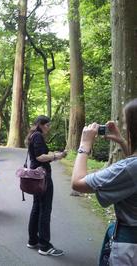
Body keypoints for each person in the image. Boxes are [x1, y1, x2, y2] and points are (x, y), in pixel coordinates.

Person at [72, 99, 137, 265]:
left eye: (126, 124)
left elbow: (78, 183)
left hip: (130, 247)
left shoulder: (129, 168)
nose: (124, 128)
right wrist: (122, 141)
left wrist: (84, 144)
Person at [26, 115, 66, 256]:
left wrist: (55, 155)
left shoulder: (34, 136)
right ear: (41, 125)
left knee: (37, 207)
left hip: (37, 177)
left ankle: (33, 240)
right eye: (48, 125)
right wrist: (56, 156)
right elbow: (39, 157)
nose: (49, 128)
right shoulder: (38, 136)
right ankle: (44, 246)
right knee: (45, 209)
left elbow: (41, 155)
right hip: (42, 177)